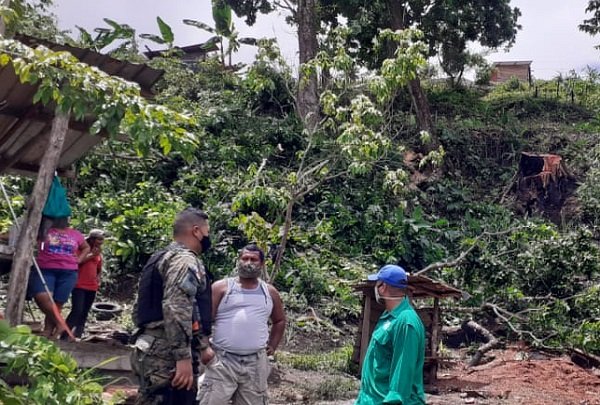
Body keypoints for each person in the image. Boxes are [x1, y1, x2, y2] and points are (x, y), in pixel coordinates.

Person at [131, 208, 214, 405]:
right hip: (166, 354)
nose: (209, 236)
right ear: (196, 231)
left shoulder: (159, 257)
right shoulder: (185, 260)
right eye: (207, 231)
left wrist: (202, 345)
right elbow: (176, 306)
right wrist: (182, 357)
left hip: (150, 346)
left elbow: (140, 308)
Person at [198, 244, 286, 405]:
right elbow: (204, 320)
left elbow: (279, 321)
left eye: (253, 259)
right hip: (222, 360)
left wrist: (272, 346)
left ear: (262, 264)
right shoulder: (221, 288)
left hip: (255, 364)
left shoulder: (269, 292)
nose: (248, 263)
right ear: (238, 261)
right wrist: (204, 348)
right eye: (245, 258)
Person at [355, 265, 426, 405]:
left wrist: (394, 399)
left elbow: (403, 370)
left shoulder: (406, 322)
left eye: (377, 283)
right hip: (371, 399)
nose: (375, 287)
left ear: (383, 286)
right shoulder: (388, 316)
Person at [28, 216, 90, 338]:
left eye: (67, 217)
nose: (65, 219)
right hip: (46, 269)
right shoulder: (44, 231)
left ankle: (48, 331)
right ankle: (60, 324)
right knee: (42, 296)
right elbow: (29, 239)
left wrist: (79, 259)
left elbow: (86, 247)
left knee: (57, 303)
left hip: (69, 272)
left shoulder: (75, 234)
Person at [65, 229, 105, 338]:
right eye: (99, 239)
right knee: (77, 310)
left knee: (85, 312)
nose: (101, 242)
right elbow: (78, 262)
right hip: (79, 285)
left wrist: (98, 279)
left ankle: (78, 334)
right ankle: (64, 334)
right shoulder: (82, 249)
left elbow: (99, 268)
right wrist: (92, 255)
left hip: (92, 286)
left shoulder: (98, 252)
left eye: (102, 240)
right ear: (92, 239)